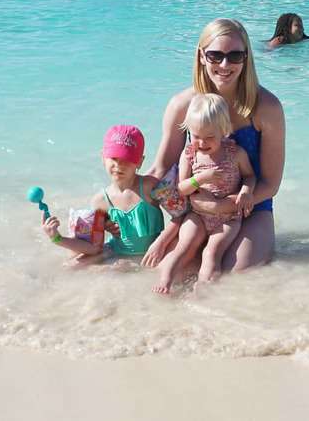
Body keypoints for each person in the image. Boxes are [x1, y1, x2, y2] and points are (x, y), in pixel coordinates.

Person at [142, 19, 285, 276]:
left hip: (250, 207)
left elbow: (270, 184)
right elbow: (161, 169)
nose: (225, 65)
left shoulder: (267, 108)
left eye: (235, 56)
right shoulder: (182, 105)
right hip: (196, 209)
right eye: (215, 55)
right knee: (172, 268)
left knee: (234, 275)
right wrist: (119, 205)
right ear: (201, 56)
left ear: (247, 57)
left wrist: (225, 206)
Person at [153, 94, 255, 292]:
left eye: (209, 137)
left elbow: (250, 176)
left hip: (228, 218)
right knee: (184, 246)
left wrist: (246, 191)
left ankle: (203, 290)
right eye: (196, 136)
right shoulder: (190, 155)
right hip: (198, 215)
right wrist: (200, 179)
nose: (202, 143)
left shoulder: (235, 154)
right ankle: (165, 281)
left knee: (211, 252)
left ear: (223, 131)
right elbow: (181, 189)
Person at [41, 125, 165, 266]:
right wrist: (57, 238)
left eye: (126, 159)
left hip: (153, 251)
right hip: (116, 251)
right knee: (71, 266)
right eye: (113, 158)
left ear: (140, 162)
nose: (119, 165)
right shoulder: (100, 201)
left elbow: (179, 214)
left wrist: (162, 243)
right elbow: (93, 248)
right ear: (103, 158)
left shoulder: (150, 186)